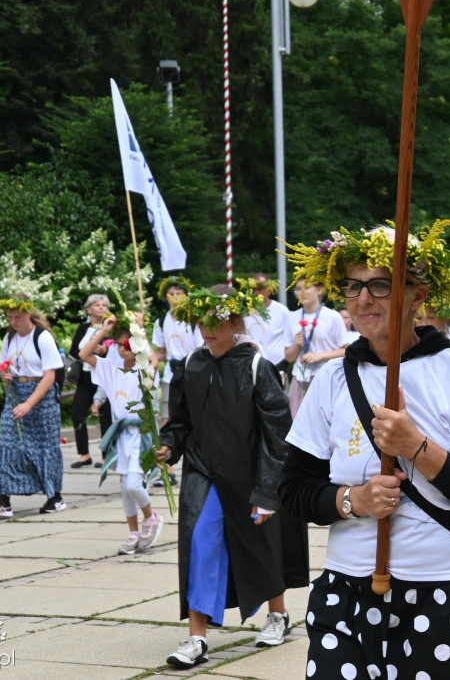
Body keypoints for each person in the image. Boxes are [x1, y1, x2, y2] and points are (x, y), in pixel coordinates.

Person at [278, 221, 450, 679]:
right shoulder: (332, 380)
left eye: (381, 284)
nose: (364, 299)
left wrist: (416, 446)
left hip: (447, 591)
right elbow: (293, 490)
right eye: (352, 286)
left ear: (417, 294)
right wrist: (353, 500)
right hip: (348, 592)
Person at [161, 285, 308, 669]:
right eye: (201, 322)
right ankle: (197, 638)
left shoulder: (257, 367)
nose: (207, 329)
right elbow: (179, 422)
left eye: (216, 321)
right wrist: (167, 445)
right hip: (203, 471)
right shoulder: (190, 364)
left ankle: (278, 614)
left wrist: (268, 488)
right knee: (199, 544)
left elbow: (279, 432)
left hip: (250, 473)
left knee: (261, 544)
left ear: (236, 322)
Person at [78, 311, 164, 556]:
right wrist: (104, 330)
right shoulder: (111, 369)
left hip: (141, 434)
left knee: (134, 485)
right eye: (119, 344)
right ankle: (133, 532)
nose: (122, 349)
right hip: (121, 436)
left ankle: (151, 517)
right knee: (125, 488)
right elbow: (84, 354)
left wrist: (140, 331)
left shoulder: (143, 371)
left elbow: (155, 362)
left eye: (128, 344)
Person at [0, 295, 66, 519]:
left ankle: (54, 497)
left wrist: (30, 404)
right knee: (7, 444)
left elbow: (50, 375)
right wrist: (5, 375)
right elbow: (1, 366)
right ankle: (3, 501)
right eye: (10, 317)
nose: (13, 321)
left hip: (41, 397)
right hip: (16, 393)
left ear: (29, 313)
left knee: (44, 447)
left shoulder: (42, 337)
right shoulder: (9, 337)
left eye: (17, 317)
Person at [283, 278, 348, 418]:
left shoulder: (332, 316)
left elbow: (346, 351)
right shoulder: (292, 317)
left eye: (306, 287)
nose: (302, 292)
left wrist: (320, 356)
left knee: (325, 420)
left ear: (319, 289)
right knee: (298, 420)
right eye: (298, 289)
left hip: (327, 376)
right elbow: (288, 357)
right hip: (300, 378)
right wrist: (297, 345)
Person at [68, 294, 114, 469]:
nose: (102, 307)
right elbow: (74, 350)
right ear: (89, 309)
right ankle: (84, 454)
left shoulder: (110, 327)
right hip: (85, 375)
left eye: (104, 305)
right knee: (77, 411)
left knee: (104, 413)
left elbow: (113, 351)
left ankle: (105, 455)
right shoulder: (83, 327)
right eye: (97, 304)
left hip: (103, 375)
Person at [152, 276, 203, 422]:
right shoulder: (161, 322)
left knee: (192, 412)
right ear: (166, 297)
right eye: (171, 294)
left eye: (179, 293)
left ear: (186, 296)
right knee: (168, 412)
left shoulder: (194, 319)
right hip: (171, 373)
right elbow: (161, 353)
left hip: (191, 370)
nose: (175, 297)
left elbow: (200, 350)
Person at [237, 274, 292, 370]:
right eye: (253, 289)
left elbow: (289, 339)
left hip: (277, 365)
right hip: (249, 365)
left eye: (260, 289)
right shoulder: (243, 312)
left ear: (269, 290)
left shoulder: (282, 311)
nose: (257, 292)